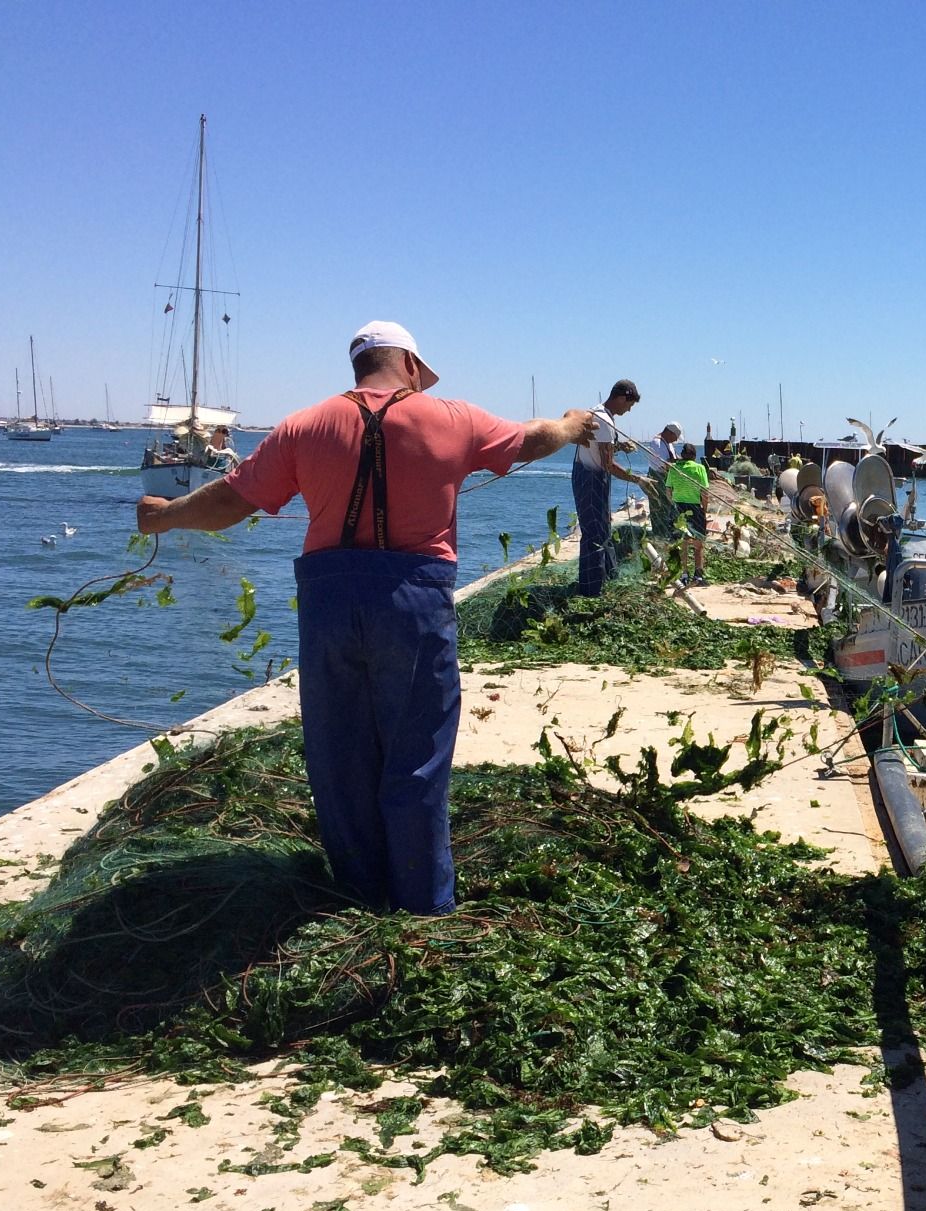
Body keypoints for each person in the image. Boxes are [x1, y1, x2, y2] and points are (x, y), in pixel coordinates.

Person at [135, 321, 597, 914]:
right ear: (407, 363)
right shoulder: (450, 419)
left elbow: (230, 501)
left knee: (338, 755)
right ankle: (422, 908)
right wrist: (570, 423)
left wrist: (166, 515)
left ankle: (357, 897)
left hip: (328, 601)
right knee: (417, 755)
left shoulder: (303, 425)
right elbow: (531, 440)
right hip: (413, 598)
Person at [571, 379, 642, 595]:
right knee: (595, 535)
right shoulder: (602, 419)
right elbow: (608, 464)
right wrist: (639, 480)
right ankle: (592, 590)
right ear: (621, 398)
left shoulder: (600, 415)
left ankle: (608, 578)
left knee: (603, 530)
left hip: (591, 476)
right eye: (629, 405)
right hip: (591, 480)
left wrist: (619, 446)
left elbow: (599, 448)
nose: (629, 410)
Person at [665, 440, 712, 583]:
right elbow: (704, 492)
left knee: (683, 543)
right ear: (694, 456)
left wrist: (673, 503)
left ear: (682, 455)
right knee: (698, 544)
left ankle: (684, 575)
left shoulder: (674, 469)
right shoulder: (699, 468)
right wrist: (704, 509)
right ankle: (698, 575)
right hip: (695, 507)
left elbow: (668, 491)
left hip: (679, 507)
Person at [643, 421, 683, 537]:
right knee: (659, 507)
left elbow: (675, 457)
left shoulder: (668, 443)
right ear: (669, 433)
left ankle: (668, 532)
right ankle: (660, 535)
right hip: (658, 477)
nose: (675, 440)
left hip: (667, 478)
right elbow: (664, 464)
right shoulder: (657, 443)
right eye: (675, 437)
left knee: (669, 506)